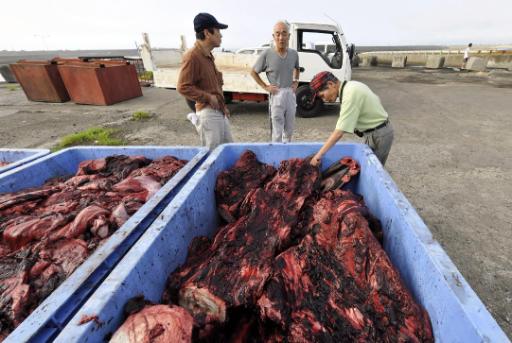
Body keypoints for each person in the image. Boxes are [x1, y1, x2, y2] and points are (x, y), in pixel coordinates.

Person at [309, 71, 394, 167]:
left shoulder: (350, 94)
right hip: (372, 132)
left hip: (380, 134)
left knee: (374, 167)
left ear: (331, 84)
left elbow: (338, 133)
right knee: (368, 165)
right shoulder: (351, 86)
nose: (324, 99)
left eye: (322, 95)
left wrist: (318, 156)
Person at [177, 12, 233, 150]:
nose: (221, 35)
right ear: (207, 33)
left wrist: (223, 107)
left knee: (229, 151)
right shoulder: (192, 56)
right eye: (218, 31)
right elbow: (182, 86)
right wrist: (207, 97)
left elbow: (214, 85)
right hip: (208, 114)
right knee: (212, 157)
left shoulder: (208, 55)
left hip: (218, 112)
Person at [251, 21, 300, 142]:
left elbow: (297, 68)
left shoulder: (294, 54)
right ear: (273, 36)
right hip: (276, 94)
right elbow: (253, 72)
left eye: (284, 34)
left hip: (290, 93)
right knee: (277, 132)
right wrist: (266, 87)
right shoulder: (267, 54)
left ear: (289, 36)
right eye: (277, 34)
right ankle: (276, 158)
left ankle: (286, 156)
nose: (281, 37)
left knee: (289, 131)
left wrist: (296, 81)